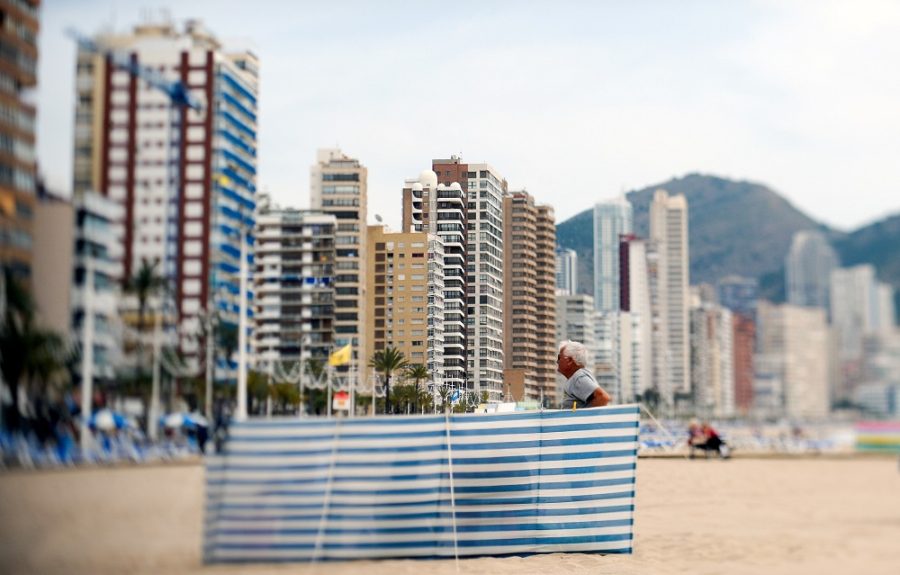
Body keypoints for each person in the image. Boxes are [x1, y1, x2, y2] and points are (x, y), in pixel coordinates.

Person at [557, 340, 612, 409]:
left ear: (569, 361)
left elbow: (603, 398)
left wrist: (583, 417)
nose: (557, 361)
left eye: (559, 357)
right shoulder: (576, 377)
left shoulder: (578, 378)